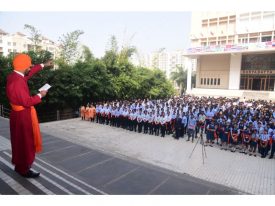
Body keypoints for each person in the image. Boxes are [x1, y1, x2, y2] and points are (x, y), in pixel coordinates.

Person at [6, 53, 53, 178]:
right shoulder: (18, 82)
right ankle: (24, 169)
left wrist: (44, 65)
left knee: (19, 142)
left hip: (17, 114)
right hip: (22, 116)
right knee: (25, 143)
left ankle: (19, 166)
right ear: (23, 66)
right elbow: (27, 102)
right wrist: (40, 95)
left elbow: (30, 73)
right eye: (29, 64)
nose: (30, 66)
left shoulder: (14, 76)